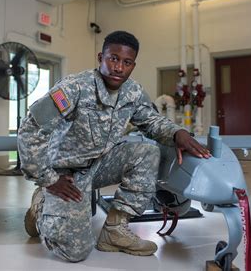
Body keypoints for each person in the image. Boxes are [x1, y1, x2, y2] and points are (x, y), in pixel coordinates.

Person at [18, 30, 211, 262]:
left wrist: (177, 132)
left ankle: (115, 229)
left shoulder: (133, 91)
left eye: (127, 62)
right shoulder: (74, 88)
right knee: (75, 252)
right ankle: (39, 204)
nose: (119, 67)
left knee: (148, 152)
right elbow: (31, 128)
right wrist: (49, 179)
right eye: (114, 59)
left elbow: (150, 120)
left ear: (133, 65)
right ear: (101, 57)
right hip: (65, 175)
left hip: (98, 166)